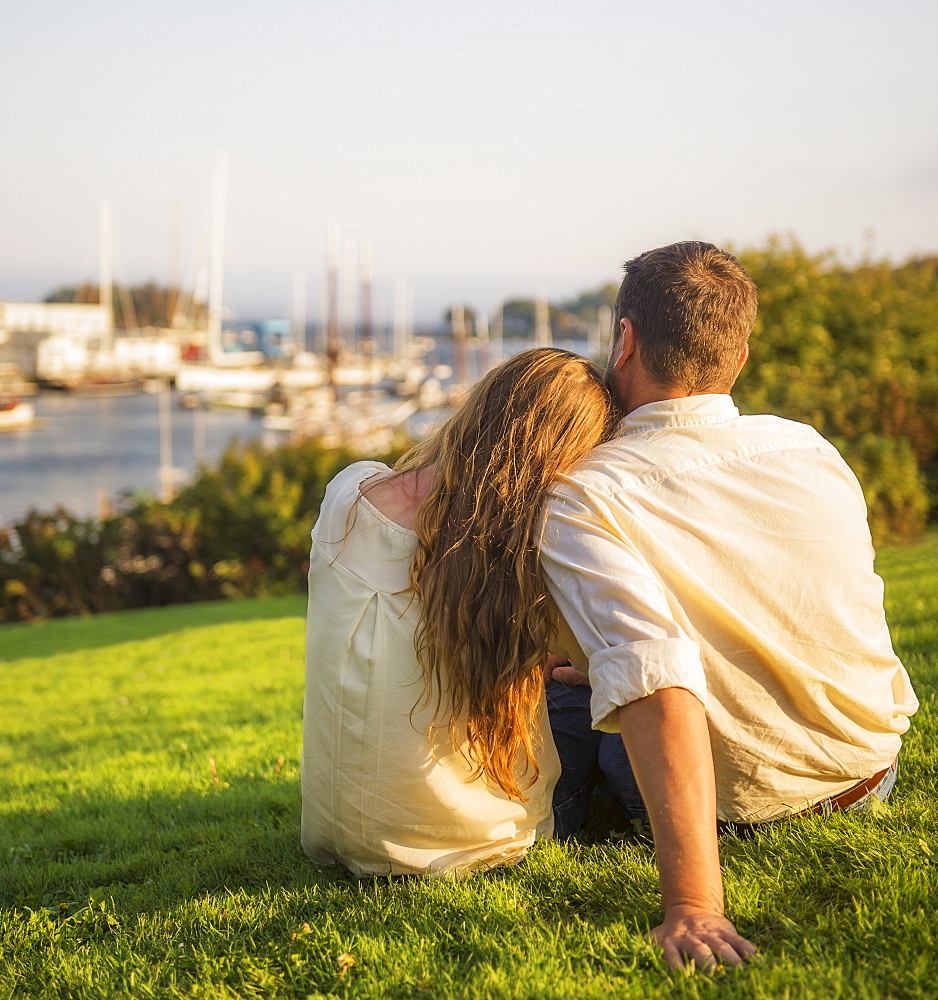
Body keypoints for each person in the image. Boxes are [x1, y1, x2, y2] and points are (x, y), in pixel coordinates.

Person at [539, 241, 919, 970]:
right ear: (736, 360)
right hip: (870, 770)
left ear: (625, 340)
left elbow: (655, 679)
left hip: (742, 809)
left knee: (556, 692)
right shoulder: (808, 447)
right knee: (591, 675)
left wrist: (692, 906)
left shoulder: (585, 491)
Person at [301, 348, 619, 877]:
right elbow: (599, 661)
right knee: (582, 698)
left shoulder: (347, 493)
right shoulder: (525, 546)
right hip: (474, 844)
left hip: (339, 828)